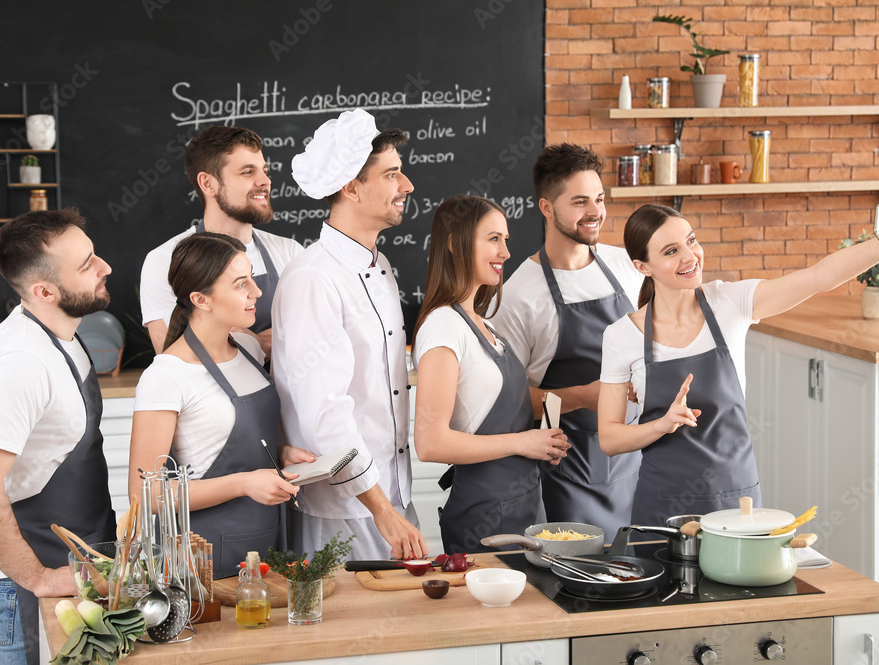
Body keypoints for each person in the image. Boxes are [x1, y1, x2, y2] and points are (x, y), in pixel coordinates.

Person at [598, 204, 879, 527]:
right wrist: (661, 424)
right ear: (642, 266)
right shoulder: (621, 336)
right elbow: (609, 439)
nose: (690, 256)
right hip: (662, 507)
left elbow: (819, 277)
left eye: (691, 241)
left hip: (737, 501)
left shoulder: (731, 303)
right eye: (671, 251)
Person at [0, 209, 118, 665]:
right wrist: (39, 577)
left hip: (74, 563)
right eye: (86, 264)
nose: (104, 266)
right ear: (43, 291)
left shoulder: (62, 330)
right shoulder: (19, 363)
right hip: (25, 580)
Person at [272, 108, 427, 560]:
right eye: (393, 174)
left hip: (393, 497)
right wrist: (380, 507)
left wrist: (392, 505)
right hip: (347, 509)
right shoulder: (314, 277)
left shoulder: (379, 265)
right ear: (352, 186)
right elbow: (325, 411)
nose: (408, 186)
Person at [128, 232, 314, 578]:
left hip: (268, 542)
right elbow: (147, 496)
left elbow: (226, 437)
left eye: (252, 279)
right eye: (241, 284)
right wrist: (245, 483)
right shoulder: (166, 375)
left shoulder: (248, 348)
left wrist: (278, 452)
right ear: (201, 299)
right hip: (208, 560)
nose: (256, 293)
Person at [491, 143, 643, 537]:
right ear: (546, 207)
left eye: (599, 198)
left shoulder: (626, 266)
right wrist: (588, 395)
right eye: (580, 202)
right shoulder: (520, 295)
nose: (595, 212)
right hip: (572, 476)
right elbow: (509, 403)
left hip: (637, 463)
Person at [412, 195, 570, 553]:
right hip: (484, 516)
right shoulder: (443, 327)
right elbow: (430, 442)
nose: (506, 252)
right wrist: (521, 443)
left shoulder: (483, 326)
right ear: (455, 243)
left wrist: (542, 443)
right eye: (493, 239)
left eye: (506, 240)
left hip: (524, 505)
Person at [140, 126, 303, 355]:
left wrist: (253, 341)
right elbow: (176, 355)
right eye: (247, 172)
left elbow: (313, 336)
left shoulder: (290, 252)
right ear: (208, 184)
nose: (265, 181)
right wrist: (272, 340)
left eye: (264, 171)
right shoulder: (165, 260)